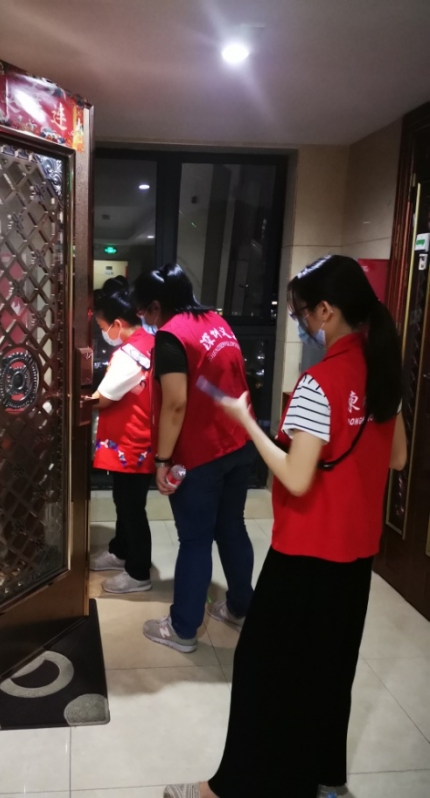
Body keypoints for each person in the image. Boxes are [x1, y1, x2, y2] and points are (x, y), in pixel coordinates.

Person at [164, 255, 407, 798]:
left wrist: (248, 422)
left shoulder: (318, 384)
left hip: (306, 553)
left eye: (301, 314)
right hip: (356, 555)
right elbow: (397, 458)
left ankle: (227, 789)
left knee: (261, 668)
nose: (300, 323)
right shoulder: (383, 370)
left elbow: (297, 478)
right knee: (331, 668)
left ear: (327, 311)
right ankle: (324, 779)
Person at [132, 264, 256, 653]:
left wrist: (162, 460)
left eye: (144, 311)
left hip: (201, 455)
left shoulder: (171, 336)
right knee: (232, 527)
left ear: (156, 306)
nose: (145, 319)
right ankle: (239, 606)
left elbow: (175, 403)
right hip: (239, 443)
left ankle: (183, 629)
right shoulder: (217, 321)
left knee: (195, 540)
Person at [89, 277, 155, 594]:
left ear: (117, 324)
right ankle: (120, 551)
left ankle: (138, 572)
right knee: (124, 501)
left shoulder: (130, 355)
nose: (103, 334)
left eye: (103, 327)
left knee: (131, 508)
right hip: (137, 439)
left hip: (132, 443)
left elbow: (103, 398)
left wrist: (73, 402)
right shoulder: (148, 341)